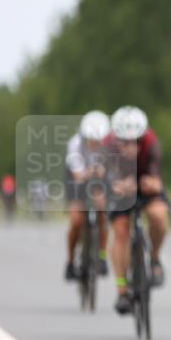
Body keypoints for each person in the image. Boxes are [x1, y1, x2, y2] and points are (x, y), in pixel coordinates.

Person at [105, 106, 169, 315]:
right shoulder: (108, 145)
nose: (131, 145)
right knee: (121, 231)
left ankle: (155, 258)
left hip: (143, 186)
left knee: (158, 215)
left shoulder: (151, 142)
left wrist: (149, 184)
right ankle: (122, 289)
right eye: (125, 141)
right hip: (120, 190)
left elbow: (156, 180)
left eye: (136, 141)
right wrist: (116, 185)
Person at [64, 110, 111, 280]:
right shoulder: (75, 144)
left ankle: (102, 255)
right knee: (76, 220)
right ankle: (70, 262)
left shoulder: (109, 144)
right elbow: (78, 176)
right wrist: (90, 172)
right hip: (78, 178)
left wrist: (103, 173)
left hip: (98, 178)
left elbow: (111, 169)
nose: (95, 143)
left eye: (98, 140)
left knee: (102, 210)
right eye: (92, 140)